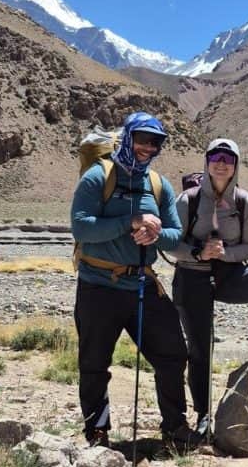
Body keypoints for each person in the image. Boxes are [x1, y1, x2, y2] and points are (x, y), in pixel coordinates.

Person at [70, 111, 195, 448]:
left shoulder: (157, 184)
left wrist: (156, 233)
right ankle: (97, 431)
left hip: (141, 283)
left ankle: (175, 426)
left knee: (172, 354)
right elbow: (81, 227)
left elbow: (174, 235)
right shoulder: (98, 177)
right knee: (94, 363)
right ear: (127, 138)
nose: (148, 147)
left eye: (156, 142)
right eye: (142, 139)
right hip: (98, 286)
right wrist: (130, 221)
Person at [169, 138, 248, 435]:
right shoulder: (188, 200)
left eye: (228, 157)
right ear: (207, 161)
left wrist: (226, 254)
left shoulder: (246, 203)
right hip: (192, 276)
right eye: (215, 156)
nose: (221, 163)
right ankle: (202, 414)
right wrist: (199, 252)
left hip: (229, 276)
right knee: (200, 348)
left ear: (235, 164)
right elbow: (172, 243)